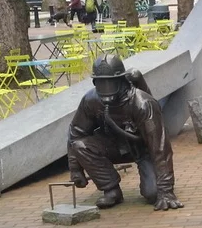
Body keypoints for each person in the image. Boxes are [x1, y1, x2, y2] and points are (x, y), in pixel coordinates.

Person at [68, 54, 183, 212]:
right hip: (112, 146)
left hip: (142, 149)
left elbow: (160, 148)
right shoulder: (91, 100)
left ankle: (158, 187)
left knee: (153, 193)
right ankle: (111, 189)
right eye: (101, 83)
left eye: (110, 83)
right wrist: (75, 169)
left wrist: (166, 190)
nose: (105, 89)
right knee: (81, 145)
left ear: (121, 80)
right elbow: (76, 133)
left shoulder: (142, 104)